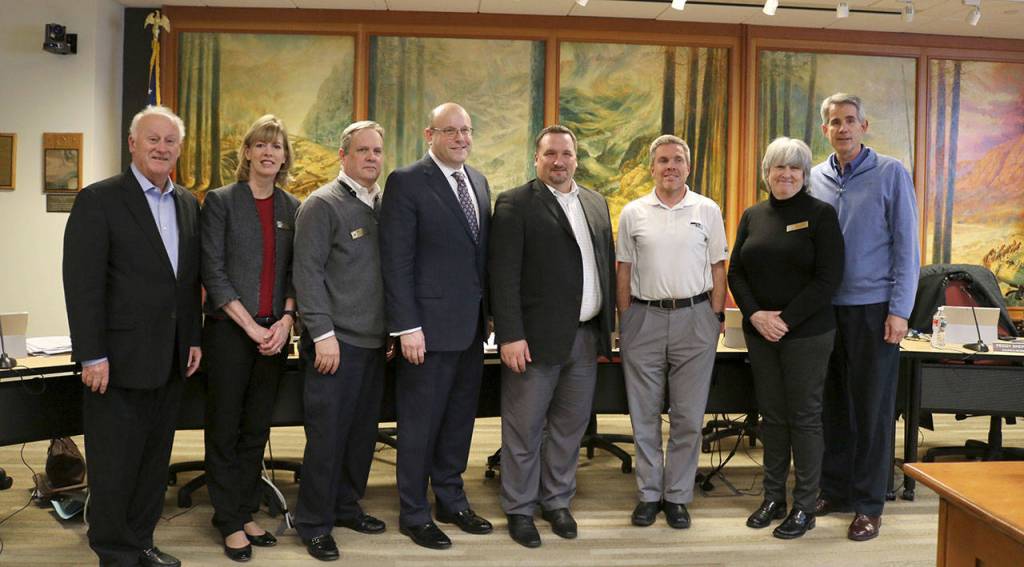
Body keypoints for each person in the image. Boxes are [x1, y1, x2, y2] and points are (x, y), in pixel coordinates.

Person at [63, 105, 202, 567]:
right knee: (115, 466)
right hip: (117, 361)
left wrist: (192, 338)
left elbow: (187, 281)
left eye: (170, 141)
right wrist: (91, 354)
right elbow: (82, 284)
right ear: (132, 144)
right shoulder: (99, 199)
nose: (162, 148)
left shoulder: (187, 202)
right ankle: (114, 553)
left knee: (153, 464)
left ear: (179, 149)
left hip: (170, 358)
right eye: (152, 139)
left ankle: (141, 542)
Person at [489, 125, 616, 548]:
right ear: (537, 158)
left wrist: (608, 330)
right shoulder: (515, 203)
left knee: (569, 428)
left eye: (566, 154)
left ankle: (557, 500)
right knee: (524, 430)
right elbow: (503, 275)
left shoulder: (595, 203)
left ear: (576, 158)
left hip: (584, 339)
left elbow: (604, 265)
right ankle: (519, 508)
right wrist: (510, 335)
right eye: (550, 154)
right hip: (534, 340)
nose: (558, 161)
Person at [380, 102, 493, 550]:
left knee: (458, 423)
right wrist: (406, 326)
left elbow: (478, 258)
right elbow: (396, 261)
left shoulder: (478, 182)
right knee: (419, 426)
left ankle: (451, 500)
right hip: (424, 331)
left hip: (470, 330)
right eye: (451, 131)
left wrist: (489, 317)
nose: (461, 138)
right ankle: (413, 512)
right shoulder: (407, 181)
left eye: (466, 130)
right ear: (430, 135)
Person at [810, 93, 919, 541]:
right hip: (824, 311)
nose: (843, 128)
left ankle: (870, 504)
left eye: (850, 120)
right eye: (835, 121)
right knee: (832, 407)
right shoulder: (814, 177)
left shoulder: (891, 173)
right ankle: (834, 489)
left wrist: (900, 310)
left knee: (872, 410)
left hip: (874, 311)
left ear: (864, 126)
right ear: (825, 130)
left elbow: (907, 247)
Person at [727, 137, 845, 539]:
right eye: (779, 166)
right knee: (773, 418)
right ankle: (773, 498)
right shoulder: (753, 215)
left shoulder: (821, 215)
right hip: (761, 333)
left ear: (805, 174)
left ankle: (805, 506)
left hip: (807, 333)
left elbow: (829, 278)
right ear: (767, 172)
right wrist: (756, 315)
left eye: (795, 167)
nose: (787, 174)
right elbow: (736, 273)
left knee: (805, 418)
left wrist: (786, 321)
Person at [199, 114, 300, 561]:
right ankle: (227, 520)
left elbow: (296, 271)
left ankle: (243, 510)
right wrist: (252, 326)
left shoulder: (292, 207)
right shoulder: (221, 201)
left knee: (256, 428)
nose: (268, 152)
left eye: (276, 146)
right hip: (230, 333)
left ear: (285, 157)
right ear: (247, 152)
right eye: (260, 144)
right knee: (225, 428)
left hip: (274, 335)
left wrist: (286, 320)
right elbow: (214, 272)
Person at [616, 134, 728, 530]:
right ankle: (649, 494)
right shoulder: (633, 212)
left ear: (688, 167)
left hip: (695, 318)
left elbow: (718, 267)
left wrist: (715, 317)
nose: (670, 166)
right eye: (663, 160)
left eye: (677, 160)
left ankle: (677, 496)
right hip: (643, 319)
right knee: (643, 414)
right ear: (652, 168)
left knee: (688, 416)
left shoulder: (707, 209)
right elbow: (624, 269)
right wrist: (625, 320)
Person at [292, 120, 391, 561]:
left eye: (377, 151)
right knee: (327, 439)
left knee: (360, 437)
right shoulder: (322, 204)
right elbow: (307, 274)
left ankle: (346, 507)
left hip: (373, 343)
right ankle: (313, 523)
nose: (371, 157)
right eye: (362, 150)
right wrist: (322, 335)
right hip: (335, 345)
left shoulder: (382, 206)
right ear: (343, 156)